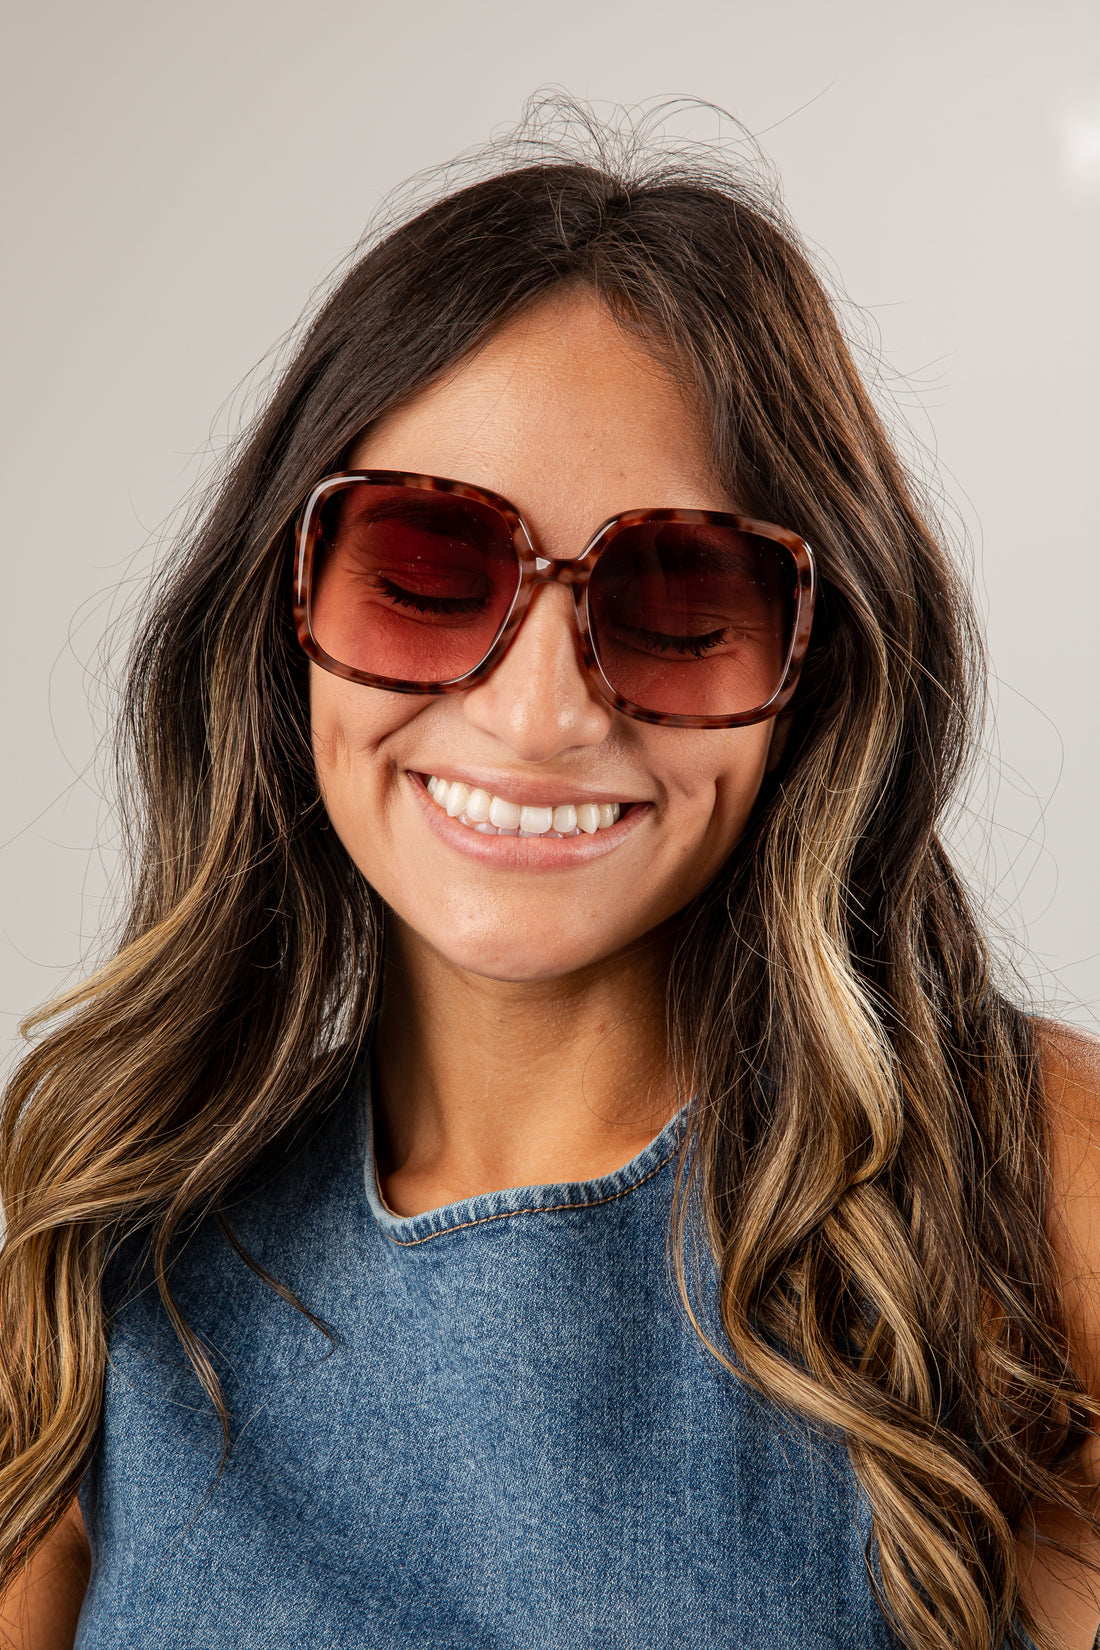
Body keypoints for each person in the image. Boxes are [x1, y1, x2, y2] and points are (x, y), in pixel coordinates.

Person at [2, 111, 1099, 1650]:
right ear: (287, 609)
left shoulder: (1026, 1190)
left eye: (678, 595)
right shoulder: (96, 1270)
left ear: (811, 668)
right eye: (429, 570)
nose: (542, 712)